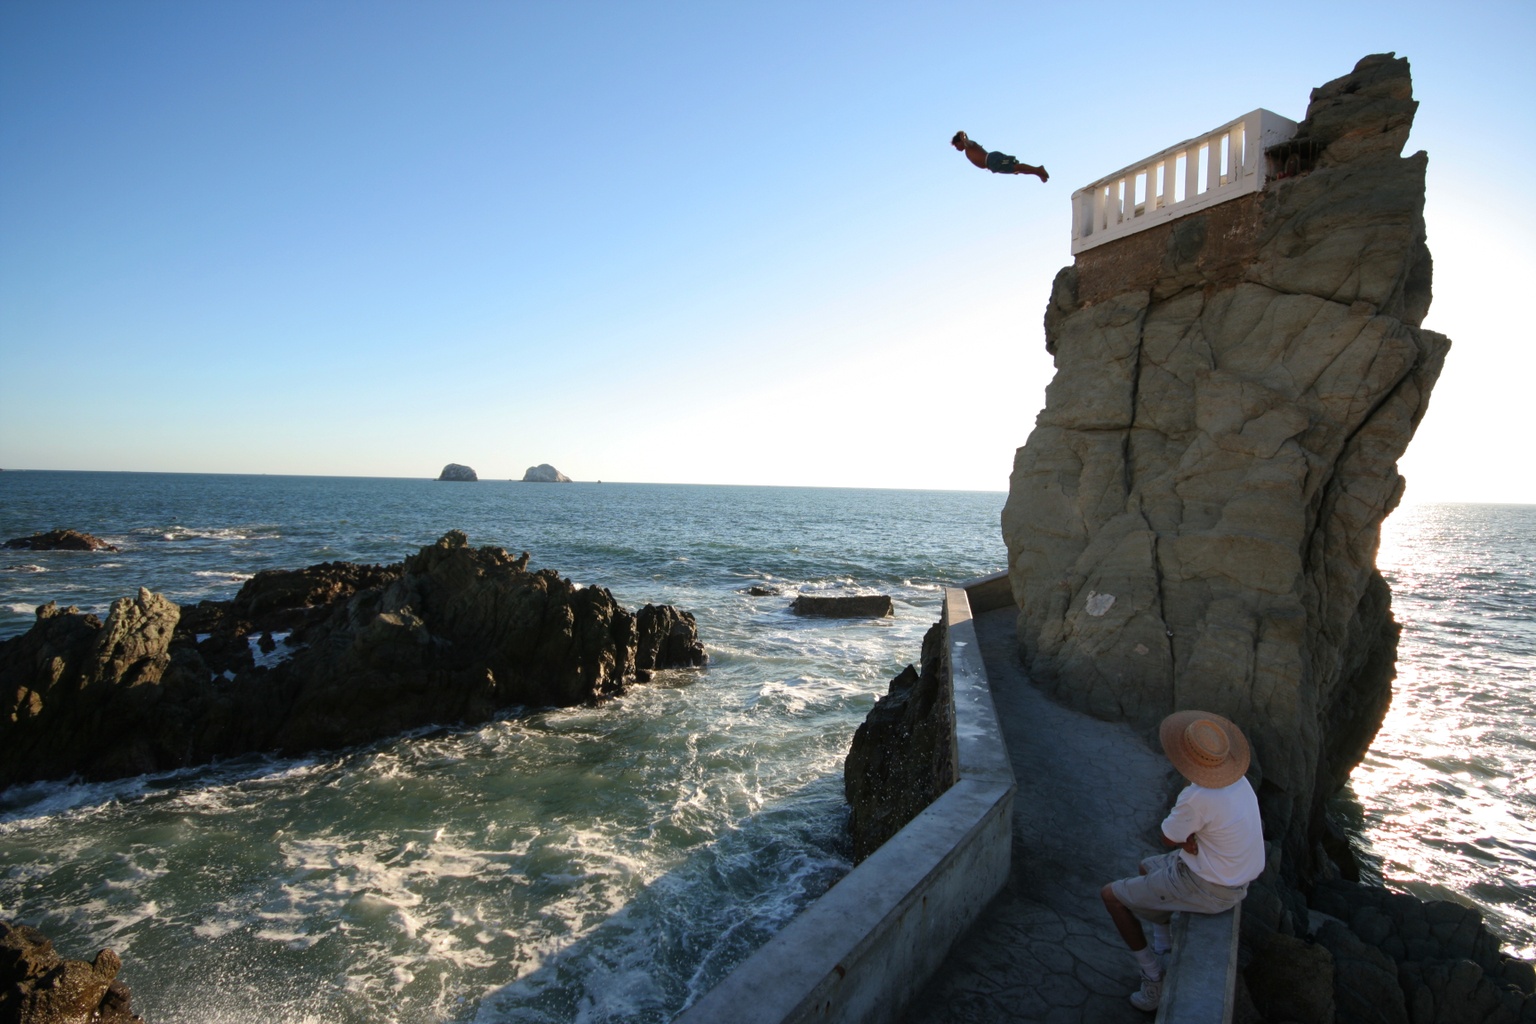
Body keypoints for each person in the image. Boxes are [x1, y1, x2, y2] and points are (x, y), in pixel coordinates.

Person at [1100, 710, 1265, 1012]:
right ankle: (1164, 944)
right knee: (1147, 866)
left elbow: (1168, 837)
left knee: (1111, 897)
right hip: (1235, 878)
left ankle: (1152, 977)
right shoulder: (1240, 783)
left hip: (1209, 886)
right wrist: (1189, 841)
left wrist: (1186, 840)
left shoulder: (1197, 796)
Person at [951, 131, 1048, 181]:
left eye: (956, 145)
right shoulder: (967, 151)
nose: (956, 148)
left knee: (1016, 167)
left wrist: (963, 137)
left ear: (960, 141)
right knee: (1016, 170)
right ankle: (1038, 172)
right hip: (992, 165)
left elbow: (967, 141)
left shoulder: (969, 145)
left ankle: (1038, 169)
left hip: (992, 160)